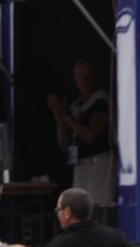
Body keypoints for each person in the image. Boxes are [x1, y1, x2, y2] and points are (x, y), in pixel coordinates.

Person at [48, 57, 113, 207]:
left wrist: (69, 120)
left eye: (88, 76)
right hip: (80, 166)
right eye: (80, 77)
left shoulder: (101, 100)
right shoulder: (76, 105)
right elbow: (65, 146)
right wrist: (60, 122)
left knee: (97, 209)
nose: (84, 81)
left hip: (99, 166)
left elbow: (91, 135)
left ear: (96, 76)